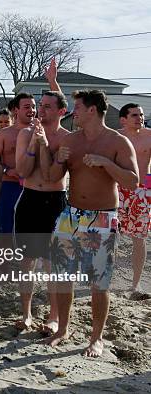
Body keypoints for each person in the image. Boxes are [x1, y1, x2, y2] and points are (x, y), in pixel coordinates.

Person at [44, 90, 138, 357]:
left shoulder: (117, 142)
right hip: (70, 215)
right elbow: (53, 177)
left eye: (77, 107)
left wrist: (106, 162)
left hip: (103, 217)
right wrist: (58, 159)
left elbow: (133, 181)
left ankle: (96, 338)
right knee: (62, 278)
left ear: (92, 110)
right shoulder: (70, 141)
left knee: (99, 282)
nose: (74, 112)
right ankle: (63, 330)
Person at [14, 88, 69, 334]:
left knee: (52, 264)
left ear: (61, 111)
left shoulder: (67, 138)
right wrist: (35, 144)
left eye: (47, 106)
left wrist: (47, 145)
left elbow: (54, 174)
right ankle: (26, 313)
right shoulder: (25, 133)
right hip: (29, 199)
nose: (40, 109)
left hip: (55, 201)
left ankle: (54, 316)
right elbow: (23, 171)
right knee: (27, 262)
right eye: (40, 104)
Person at [0, 93, 35, 239]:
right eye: (27, 107)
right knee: (6, 230)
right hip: (9, 187)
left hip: (34, 188)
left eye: (34, 107)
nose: (32, 110)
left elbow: (60, 105)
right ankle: (5, 261)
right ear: (16, 110)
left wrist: (53, 81)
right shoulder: (4, 134)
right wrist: (7, 170)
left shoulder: (40, 131)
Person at [117, 103, 151, 295]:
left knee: (139, 238)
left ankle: (135, 283)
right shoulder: (116, 137)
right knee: (111, 235)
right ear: (123, 119)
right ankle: (100, 277)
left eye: (141, 114)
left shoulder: (149, 136)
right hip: (118, 190)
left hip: (142, 191)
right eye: (135, 115)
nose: (140, 117)